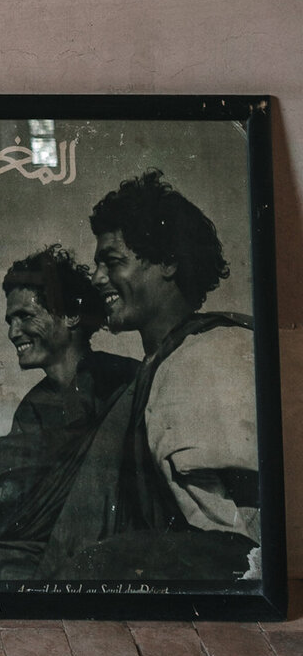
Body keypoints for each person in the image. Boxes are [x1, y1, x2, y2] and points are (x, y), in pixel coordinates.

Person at [37, 169, 259, 582]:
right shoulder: (163, 363)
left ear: (168, 262)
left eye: (113, 261)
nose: (98, 277)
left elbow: (243, 534)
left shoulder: (208, 356)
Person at [0, 245, 138, 581]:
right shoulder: (35, 406)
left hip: (94, 549)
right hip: (40, 546)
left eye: (25, 316)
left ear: (71, 315)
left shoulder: (122, 383)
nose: (13, 332)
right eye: (10, 320)